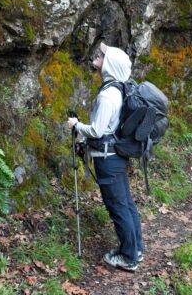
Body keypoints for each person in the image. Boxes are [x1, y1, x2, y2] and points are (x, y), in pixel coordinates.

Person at [67, 42, 143, 272]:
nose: (98, 56)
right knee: (126, 204)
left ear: (110, 65)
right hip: (116, 157)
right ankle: (135, 249)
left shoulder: (108, 96)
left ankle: (129, 257)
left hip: (108, 160)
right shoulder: (119, 89)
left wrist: (77, 125)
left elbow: (97, 131)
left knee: (118, 207)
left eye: (102, 55)